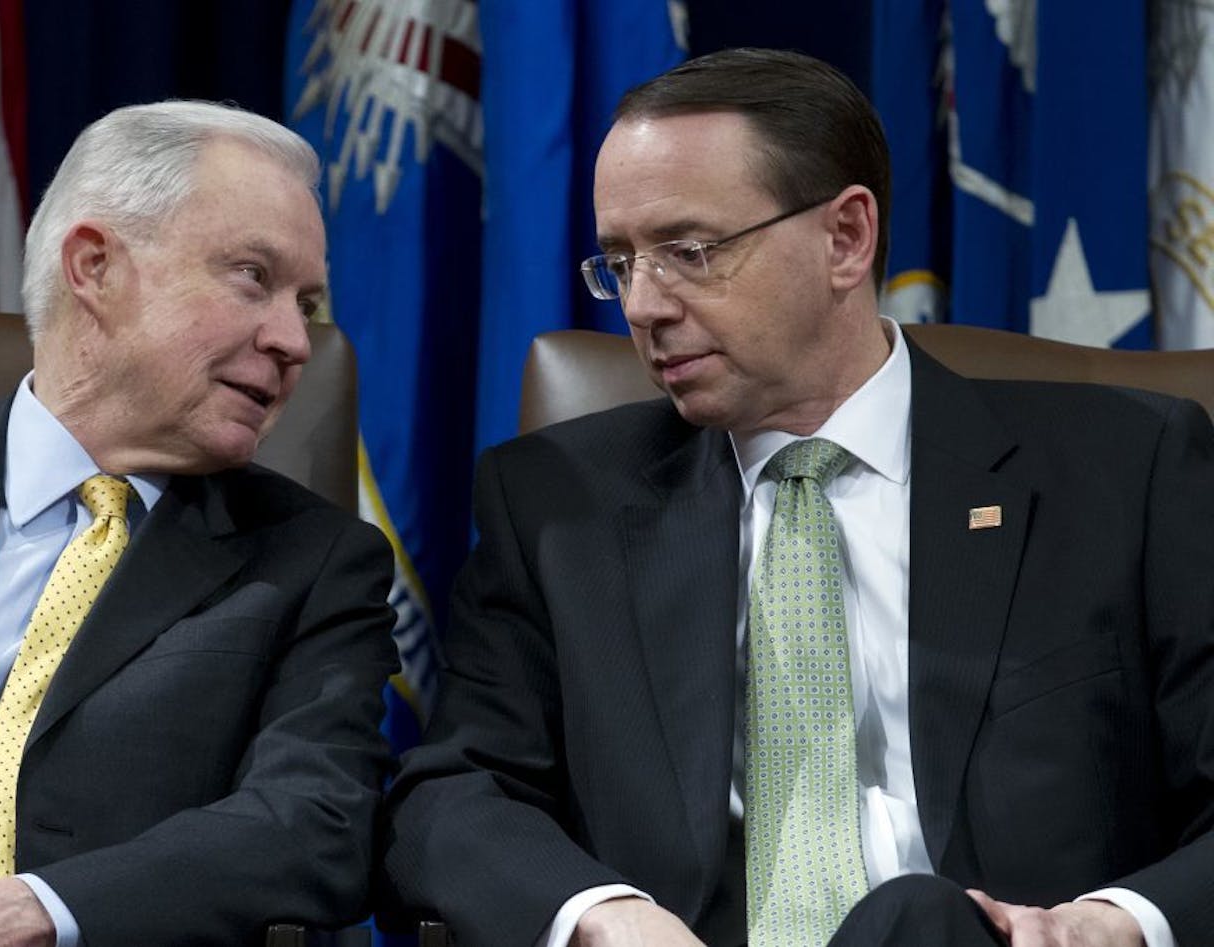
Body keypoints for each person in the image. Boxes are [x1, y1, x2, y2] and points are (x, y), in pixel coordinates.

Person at [381, 48, 1214, 947]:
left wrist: (1119, 921)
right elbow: (448, 795)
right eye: (619, 262)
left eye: (689, 252)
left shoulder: (1126, 471)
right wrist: (601, 915)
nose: (644, 305)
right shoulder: (556, 504)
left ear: (846, 238)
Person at [0, 101, 399, 946]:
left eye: (309, 300)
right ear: (95, 266)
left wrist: (21, 911)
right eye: (254, 276)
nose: (295, 338)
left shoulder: (313, 563)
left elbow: (316, 823)